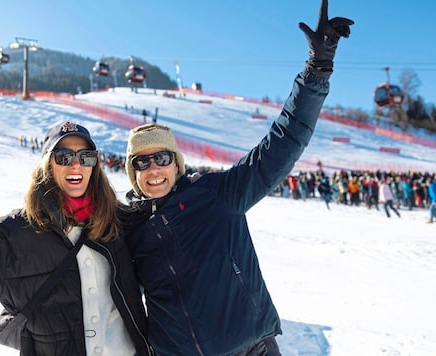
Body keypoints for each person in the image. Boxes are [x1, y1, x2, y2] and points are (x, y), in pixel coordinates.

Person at [121, 1, 353, 354]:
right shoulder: (130, 227)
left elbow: (283, 142)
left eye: (162, 158)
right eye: (141, 163)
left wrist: (317, 69)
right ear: (132, 172)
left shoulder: (217, 194)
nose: (153, 169)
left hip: (249, 349)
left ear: (176, 163)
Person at [0, 121, 152, 356]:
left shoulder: (120, 222)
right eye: (63, 156)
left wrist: (190, 190)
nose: (75, 165)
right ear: (47, 165)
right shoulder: (17, 233)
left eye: (86, 156)